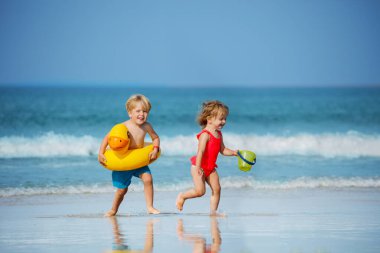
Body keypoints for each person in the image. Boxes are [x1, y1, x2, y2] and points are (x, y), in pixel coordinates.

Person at [98, 94, 160, 216]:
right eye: (138, 111)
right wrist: (101, 152)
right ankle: (113, 209)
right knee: (122, 190)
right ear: (130, 113)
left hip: (138, 161)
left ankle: (150, 207)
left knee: (148, 178)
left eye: (145, 111)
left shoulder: (147, 126)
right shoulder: (123, 127)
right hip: (123, 161)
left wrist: (155, 149)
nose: (142, 114)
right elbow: (107, 138)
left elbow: (155, 137)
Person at [176, 100, 238, 216]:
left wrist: (234, 153)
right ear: (209, 119)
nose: (224, 122)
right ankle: (182, 196)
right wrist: (199, 167)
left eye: (225, 119)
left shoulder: (219, 134)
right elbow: (200, 151)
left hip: (210, 167)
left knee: (217, 189)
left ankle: (213, 212)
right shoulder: (205, 134)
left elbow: (223, 150)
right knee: (200, 191)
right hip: (198, 166)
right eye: (221, 119)